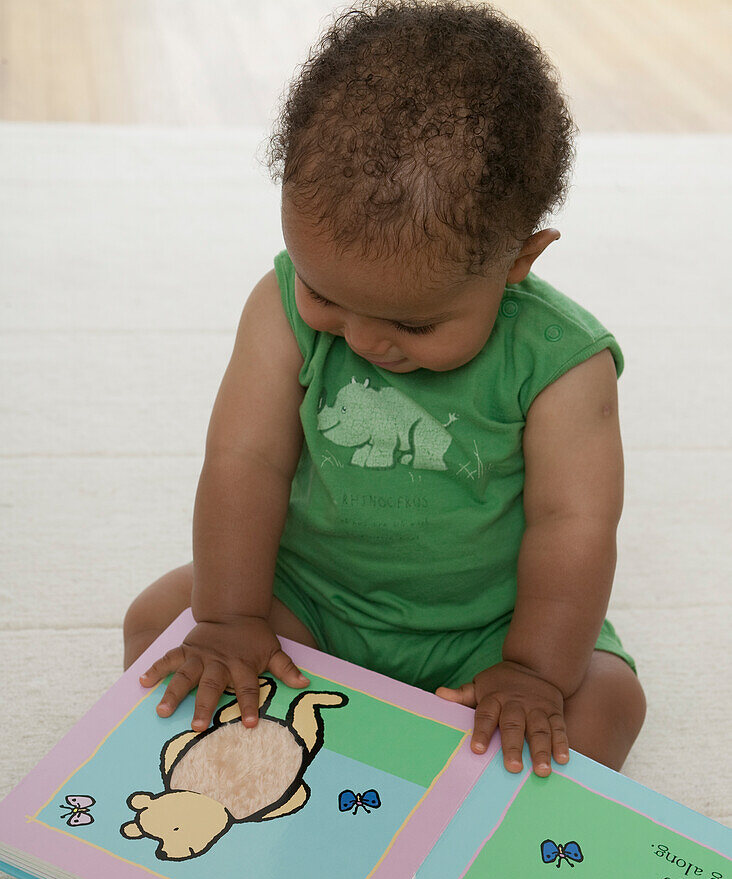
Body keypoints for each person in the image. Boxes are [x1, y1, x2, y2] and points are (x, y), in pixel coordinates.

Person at [124, 0, 646, 777]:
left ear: (518, 262)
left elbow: (573, 524)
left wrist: (533, 670)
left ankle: (442, 805)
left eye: (416, 324)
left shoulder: (564, 364)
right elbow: (245, 463)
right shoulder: (277, 308)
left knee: (607, 704)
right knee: (161, 621)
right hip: (314, 597)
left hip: (490, 628)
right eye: (327, 299)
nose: (365, 341)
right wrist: (232, 617)